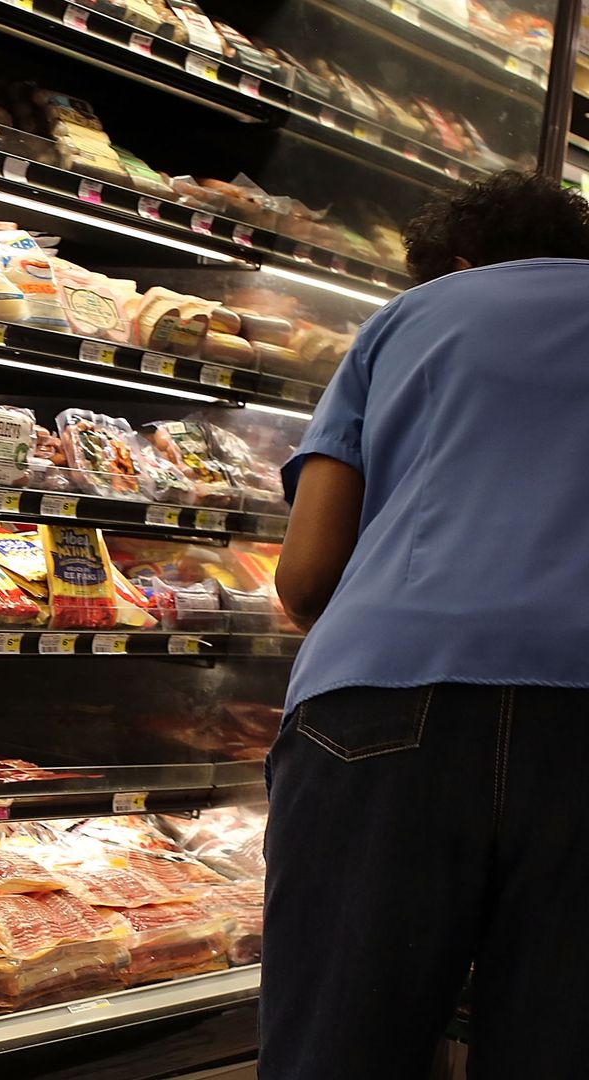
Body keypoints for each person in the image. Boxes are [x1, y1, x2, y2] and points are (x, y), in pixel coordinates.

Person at [264, 171, 589, 1078]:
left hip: (387, 699)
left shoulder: (408, 321)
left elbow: (306, 575)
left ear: (454, 265)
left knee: (339, 1043)